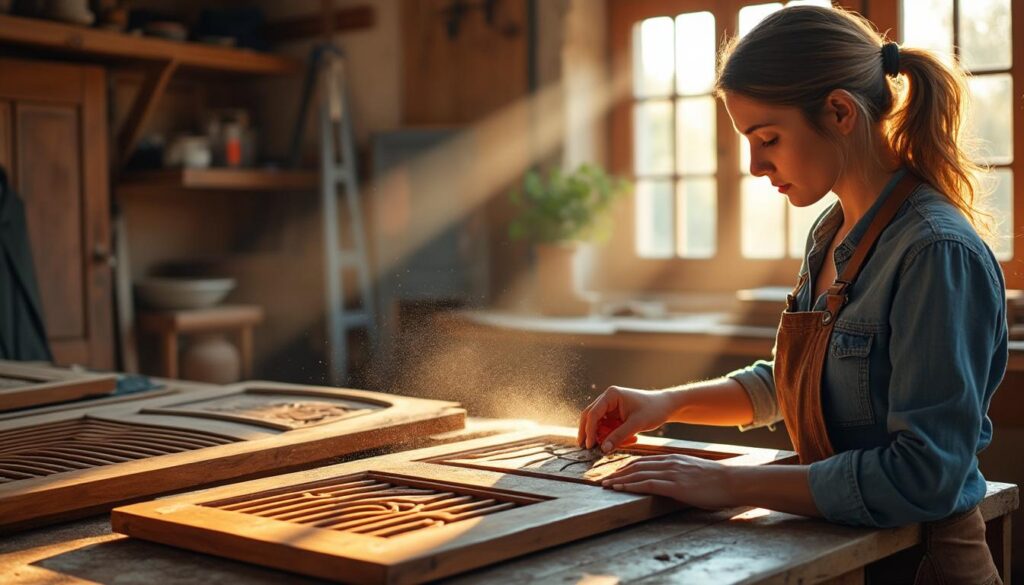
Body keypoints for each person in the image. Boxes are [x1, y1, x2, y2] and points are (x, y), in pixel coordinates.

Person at [577, 6, 1007, 584]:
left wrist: (728, 482)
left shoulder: (935, 251)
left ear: (839, 112)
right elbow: (799, 381)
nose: (755, 166)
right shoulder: (831, 233)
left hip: (922, 566)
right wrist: (667, 403)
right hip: (849, 557)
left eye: (768, 139)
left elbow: (923, 477)